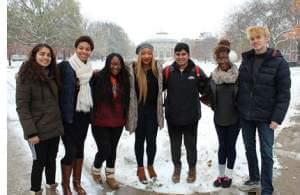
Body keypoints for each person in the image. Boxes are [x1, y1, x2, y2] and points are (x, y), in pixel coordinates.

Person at [238, 26, 291, 195]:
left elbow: (284, 94)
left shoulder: (279, 62)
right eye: (252, 38)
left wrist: (277, 118)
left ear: (267, 38)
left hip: (267, 117)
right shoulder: (246, 60)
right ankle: (254, 178)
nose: (255, 41)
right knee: (249, 148)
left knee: (266, 153)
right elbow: (240, 85)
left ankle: (267, 188)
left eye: (258, 37)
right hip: (246, 114)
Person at [16, 43, 64, 195]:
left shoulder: (52, 74)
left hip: (54, 129)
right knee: (39, 162)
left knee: (51, 160)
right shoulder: (26, 77)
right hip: (37, 132)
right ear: (34, 55)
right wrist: (31, 133)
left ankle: (51, 186)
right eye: (42, 54)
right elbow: (22, 107)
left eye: (49, 55)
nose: (45, 57)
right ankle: (35, 190)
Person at [163, 42, 209, 183]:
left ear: (188, 55)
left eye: (183, 54)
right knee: (175, 145)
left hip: (191, 117)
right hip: (173, 117)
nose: (181, 57)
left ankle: (192, 168)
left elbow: (207, 89)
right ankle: (177, 167)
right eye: (178, 54)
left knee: (191, 145)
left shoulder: (196, 71)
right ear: (174, 55)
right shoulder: (167, 71)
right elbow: (156, 88)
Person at [201, 40, 240, 188]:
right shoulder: (213, 77)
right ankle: (221, 175)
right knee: (222, 146)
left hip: (235, 119)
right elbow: (204, 92)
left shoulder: (238, 76)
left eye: (226, 57)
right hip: (219, 118)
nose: (223, 60)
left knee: (231, 146)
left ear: (231, 57)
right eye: (220, 58)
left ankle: (229, 176)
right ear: (216, 59)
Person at [58, 35, 94, 195]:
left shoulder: (89, 70)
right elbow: (47, 76)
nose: (84, 51)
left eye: (87, 49)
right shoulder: (65, 66)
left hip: (84, 116)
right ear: (76, 49)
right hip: (67, 117)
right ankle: (65, 185)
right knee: (70, 151)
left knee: (79, 149)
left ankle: (76, 183)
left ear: (91, 51)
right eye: (81, 48)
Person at [90, 53, 130, 189]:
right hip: (100, 121)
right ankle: (96, 168)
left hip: (118, 121)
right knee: (105, 149)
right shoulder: (97, 77)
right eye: (112, 64)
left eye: (118, 64)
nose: (115, 67)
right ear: (107, 64)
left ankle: (110, 175)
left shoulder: (125, 79)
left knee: (112, 149)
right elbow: (80, 80)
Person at [125, 43, 164, 184]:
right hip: (138, 112)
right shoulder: (133, 70)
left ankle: (151, 165)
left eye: (149, 53)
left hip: (153, 112)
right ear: (139, 55)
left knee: (152, 141)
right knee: (139, 140)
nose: (147, 56)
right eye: (143, 53)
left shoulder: (158, 69)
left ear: (153, 54)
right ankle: (140, 167)